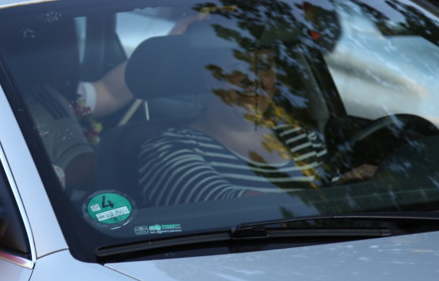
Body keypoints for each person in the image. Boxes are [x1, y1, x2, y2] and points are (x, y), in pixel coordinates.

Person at [138, 20, 330, 206]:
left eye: (264, 67)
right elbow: (238, 210)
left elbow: (337, 195)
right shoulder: (169, 149)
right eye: (237, 67)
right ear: (211, 78)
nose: (254, 79)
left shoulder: (302, 138)